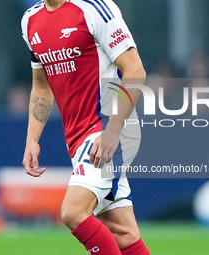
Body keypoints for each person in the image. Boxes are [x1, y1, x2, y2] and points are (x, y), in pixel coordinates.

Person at [21, 1, 150, 254]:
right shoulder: (30, 20)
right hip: (78, 139)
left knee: (73, 212)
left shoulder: (95, 8)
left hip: (106, 129)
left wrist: (112, 130)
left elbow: (135, 69)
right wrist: (32, 139)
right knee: (124, 234)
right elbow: (41, 85)